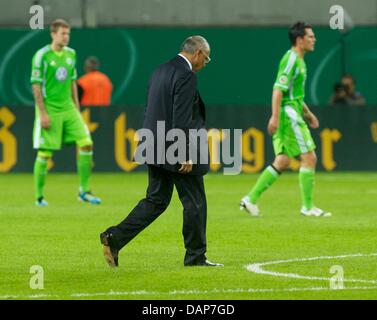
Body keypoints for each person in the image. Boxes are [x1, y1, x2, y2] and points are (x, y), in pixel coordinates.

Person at [100, 36, 223, 268]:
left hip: (154, 144)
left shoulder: (160, 70)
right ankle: (196, 257)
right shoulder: (186, 75)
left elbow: (151, 108)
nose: (205, 63)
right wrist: (185, 151)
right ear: (197, 54)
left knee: (156, 200)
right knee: (194, 202)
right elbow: (181, 115)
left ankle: (114, 237)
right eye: (206, 59)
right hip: (175, 147)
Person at [240, 22, 331, 217]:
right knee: (310, 157)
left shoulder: (300, 60)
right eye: (310, 36)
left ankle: (250, 199)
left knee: (282, 161)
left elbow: (293, 94)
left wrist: (307, 112)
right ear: (299, 40)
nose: (314, 39)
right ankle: (307, 207)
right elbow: (277, 90)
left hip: (292, 112)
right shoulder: (291, 59)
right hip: (288, 116)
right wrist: (274, 116)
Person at [31, 19, 101, 206]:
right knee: (45, 153)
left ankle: (84, 191)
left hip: (69, 108)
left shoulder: (71, 54)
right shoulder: (42, 56)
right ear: (53, 34)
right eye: (63, 33)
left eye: (68, 34)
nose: (66, 37)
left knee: (87, 143)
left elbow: (72, 82)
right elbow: (36, 87)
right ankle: (39, 197)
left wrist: (77, 110)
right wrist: (43, 113)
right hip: (50, 108)